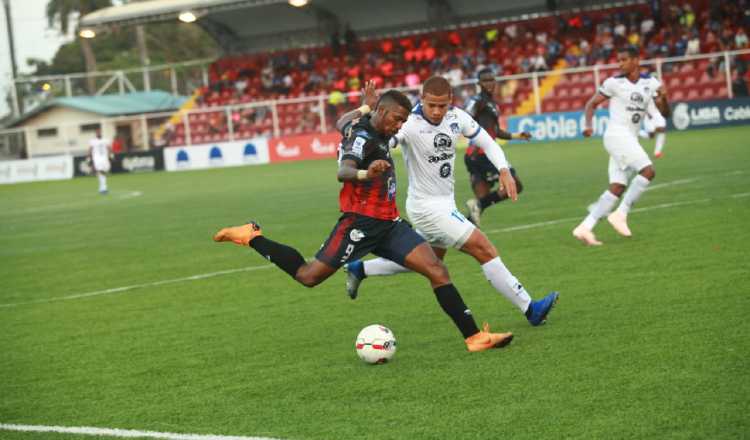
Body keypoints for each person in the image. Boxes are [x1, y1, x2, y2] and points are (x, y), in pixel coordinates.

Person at [214, 88, 514, 353]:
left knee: (436, 269)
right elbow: (343, 171)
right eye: (396, 119)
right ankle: (252, 236)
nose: (399, 126)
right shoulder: (362, 138)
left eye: (403, 121)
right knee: (308, 276)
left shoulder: (366, 123)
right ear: (383, 112)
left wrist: (365, 107)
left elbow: (340, 122)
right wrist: (365, 173)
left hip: (389, 223)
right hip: (359, 224)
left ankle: (474, 337)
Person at [342, 76, 559, 327]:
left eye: (442, 106)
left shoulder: (458, 117)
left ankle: (360, 269)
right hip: (426, 207)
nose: (436, 111)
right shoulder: (409, 123)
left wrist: (504, 170)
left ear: (450, 102)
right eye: (431, 105)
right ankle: (530, 307)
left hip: (445, 203)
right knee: (483, 247)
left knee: (429, 261)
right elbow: (381, 140)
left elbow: (487, 142)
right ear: (421, 99)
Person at [573, 46, 670, 246]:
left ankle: (584, 227)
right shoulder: (613, 83)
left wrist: (664, 97)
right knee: (648, 171)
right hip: (617, 135)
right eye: (619, 60)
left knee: (617, 187)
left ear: (636, 60)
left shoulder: (650, 83)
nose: (620, 63)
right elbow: (591, 104)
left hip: (629, 139)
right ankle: (621, 213)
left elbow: (663, 112)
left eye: (624, 59)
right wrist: (588, 125)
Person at [463, 68, 532, 226]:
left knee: (479, 207)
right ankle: (477, 209)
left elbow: (495, 131)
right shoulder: (478, 101)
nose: (489, 83)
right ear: (479, 83)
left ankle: (463, 229)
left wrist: (517, 136)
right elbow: (463, 118)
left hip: (477, 155)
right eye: (485, 80)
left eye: (491, 79)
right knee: (516, 184)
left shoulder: (492, 104)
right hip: (481, 154)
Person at [88, 129, 112, 194]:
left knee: (104, 171)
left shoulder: (106, 140)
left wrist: (110, 156)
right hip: (97, 158)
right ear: (96, 134)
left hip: (105, 157)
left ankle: (102, 188)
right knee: (100, 171)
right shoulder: (93, 141)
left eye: (99, 132)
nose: (98, 134)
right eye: (97, 133)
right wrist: (89, 159)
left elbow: (109, 148)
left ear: (101, 133)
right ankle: (103, 188)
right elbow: (90, 150)